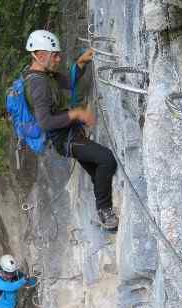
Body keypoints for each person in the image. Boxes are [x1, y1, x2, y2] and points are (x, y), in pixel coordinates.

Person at [24, 29, 119, 231]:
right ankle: (105, 211)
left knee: (97, 171)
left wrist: (82, 62)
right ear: (40, 56)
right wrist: (76, 114)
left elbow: (67, 81)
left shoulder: (45, 74)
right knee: (106, 159)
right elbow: (45, 122)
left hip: (69, 133)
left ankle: (103, 206)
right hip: (64, 139)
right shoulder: (37, 85)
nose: (58, 58)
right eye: (54, 55)